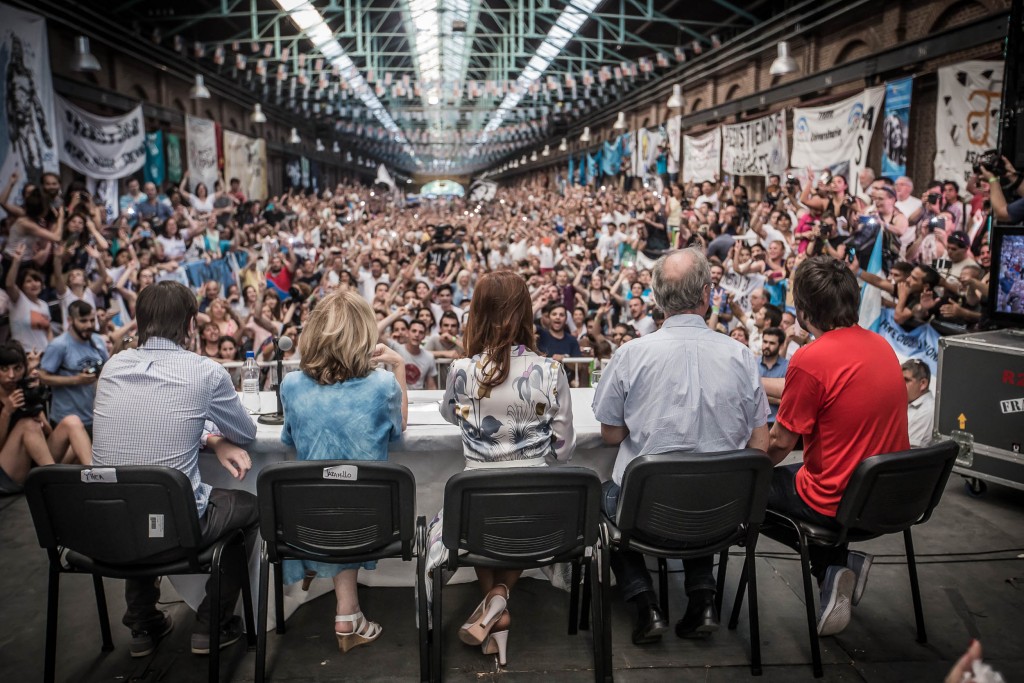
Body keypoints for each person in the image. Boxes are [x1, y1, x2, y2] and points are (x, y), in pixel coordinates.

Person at [593, 247, 769, 645]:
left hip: (647, 514)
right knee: (703, 480)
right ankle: (703, 598)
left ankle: (645, 605)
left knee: (598, 497)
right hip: (722, 515)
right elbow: (760, 444)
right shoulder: (740, 355)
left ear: (656, 298)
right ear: (708, 294)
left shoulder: (631, 355)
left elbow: (610, 435)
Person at [91, 281, 259, 658]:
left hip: (102, 525)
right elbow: (245, 432)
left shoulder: (112, 366)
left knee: (136, 501)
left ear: (139, 321)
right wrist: (216, 437)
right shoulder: (204, 371)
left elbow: (144, 421)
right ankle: (213, 623)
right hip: (174, 527)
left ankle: (142, 621)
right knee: (250, 509)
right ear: (190, 324)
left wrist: (209, 439)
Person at [437, 270, 576, 666]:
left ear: (477, 315)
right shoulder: (550, 371)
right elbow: (564, 451)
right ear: (526, 313)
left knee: (487, 519)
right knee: (516, 512)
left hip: (474, 514)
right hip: (535, 513)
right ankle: (499, 598)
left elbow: (451, 415)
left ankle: (495, 601)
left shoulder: (462, 370)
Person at [766, 256, 909, 637]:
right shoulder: (879, 346)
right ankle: (844, 565)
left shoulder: (811, 359)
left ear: (801, 310)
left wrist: (744, 466)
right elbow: (820, 388)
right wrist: (754, 381)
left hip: (836, 503)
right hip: (889, 498)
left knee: (743, 494)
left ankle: (831, 567)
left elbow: (780, 443)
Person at [279, 289, 408, 652]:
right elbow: (398, 429)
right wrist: (397, 367)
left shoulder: (291, 385)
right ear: (364, 335)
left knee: (334, 491)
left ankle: (346, 610)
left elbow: (288, 438)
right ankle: (347, 614)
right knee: (348, 491)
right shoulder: (381, 384)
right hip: (373, 516)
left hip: (308, 516)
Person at [0, 342, 92, 494]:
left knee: (72, 422)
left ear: (24, 368)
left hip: (35, 466)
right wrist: (6, 413)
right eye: (4, 369)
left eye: (17, 368)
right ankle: (55, 486)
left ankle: (96, 476)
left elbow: (47, 433)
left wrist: (35, 408)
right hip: (6, 473)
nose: (11, 375)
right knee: (27, 425)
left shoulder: (24, 389)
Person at [37, 301, 108, 432]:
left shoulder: (98, 341)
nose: (89, 325)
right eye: (83, 321)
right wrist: (75, 380)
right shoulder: (59, 345)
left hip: (95, 417)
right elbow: (42, 376)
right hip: (66, 420)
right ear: (70, 320)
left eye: (92, 320)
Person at [387, 319, 437, 389]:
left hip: (417, 397)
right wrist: (397, 313)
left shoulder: (429, 357)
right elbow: (377, 334)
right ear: (407, 333)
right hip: (396, 396)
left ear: (424, 336)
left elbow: (431, 386)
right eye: (414, 331)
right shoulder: (395, 348)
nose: (417, 335)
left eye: (421, 332)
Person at [758, 327, 788, 422]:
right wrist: (776, 399)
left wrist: (759, 395)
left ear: (781, 345)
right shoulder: (752, 363)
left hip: (777, 422)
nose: (767, 346)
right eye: (765, 341)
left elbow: (787, 400)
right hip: (755, 423)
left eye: (772, 343)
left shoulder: (788, 366)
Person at [903, 359, 934, 448]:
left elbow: (907, 452)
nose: (900, 383)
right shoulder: (907, 402)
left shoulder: (928, 410)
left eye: (906, 380)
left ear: (923, 384)